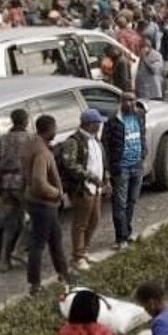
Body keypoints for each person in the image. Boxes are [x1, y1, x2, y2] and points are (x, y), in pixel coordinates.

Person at [21, 114, 70, 295]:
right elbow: (39, 182)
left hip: (36, 202)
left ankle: (63, 273)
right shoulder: (42, 152)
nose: (56, 131)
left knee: (55, 238)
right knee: (38, 244)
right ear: (49, 129)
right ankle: (35, 284)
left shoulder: (30, 144)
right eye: (55, 128)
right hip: (43, 203)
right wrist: (57, 193)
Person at [59, 109, 109, 272]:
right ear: (89, 124)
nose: (100, 125)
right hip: (83, 188)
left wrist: (106, 181)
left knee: (95, 219)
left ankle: (85, 250)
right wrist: (90, 177)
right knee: (81, 223)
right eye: (97, 123)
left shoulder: (96, 141)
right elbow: (70, 164)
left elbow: (102, 162)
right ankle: (77, 257)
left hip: (97, 188)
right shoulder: (74, 141)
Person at [103, 91, 146, 249]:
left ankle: (127, 233)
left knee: (132, 201)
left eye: (133, 100)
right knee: (120, 204)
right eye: (127, 100)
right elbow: (105, 144)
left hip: (137, 166)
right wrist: (107, 169)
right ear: (121, 102)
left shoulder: (139, 115)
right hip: (121, 168)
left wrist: (143, 153)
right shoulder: (113, 119)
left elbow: (142, 134)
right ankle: (120, 238)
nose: (131, 104)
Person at [0, 108, 31, 272]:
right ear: (26, 121)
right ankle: (20, 251)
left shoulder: (4, 139)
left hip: (6, 184)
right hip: (23, 184)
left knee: (9, 224)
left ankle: (4, 261)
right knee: (34, 219)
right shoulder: (30, 139)